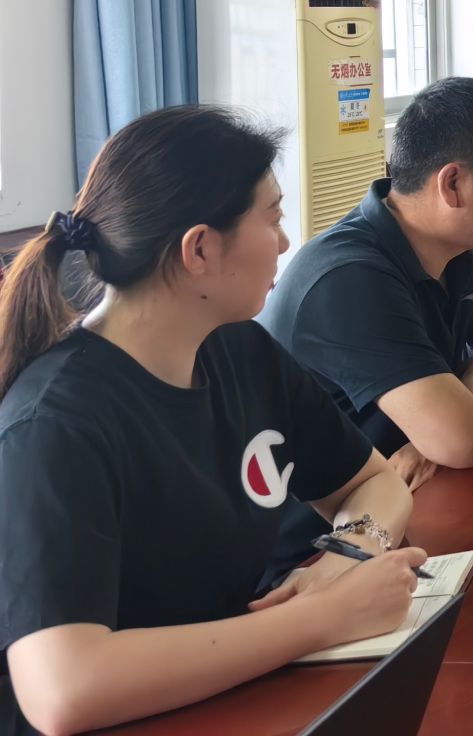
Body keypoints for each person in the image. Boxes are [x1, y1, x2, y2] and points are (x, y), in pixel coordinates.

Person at [0, 108, 426, 736]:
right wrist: (322, 618)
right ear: (199, 248)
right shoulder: (56, 423)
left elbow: (375, 482)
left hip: (233, 700)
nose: (285, 243)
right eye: (272, 219)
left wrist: (350, 552)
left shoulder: (238, 349)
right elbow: (63, 690)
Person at [262, 77, 473, 526]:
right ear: (453, 184)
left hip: (419, 500)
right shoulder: (348, 277)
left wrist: (453, 429)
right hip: (326, 541)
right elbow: (462, 442)